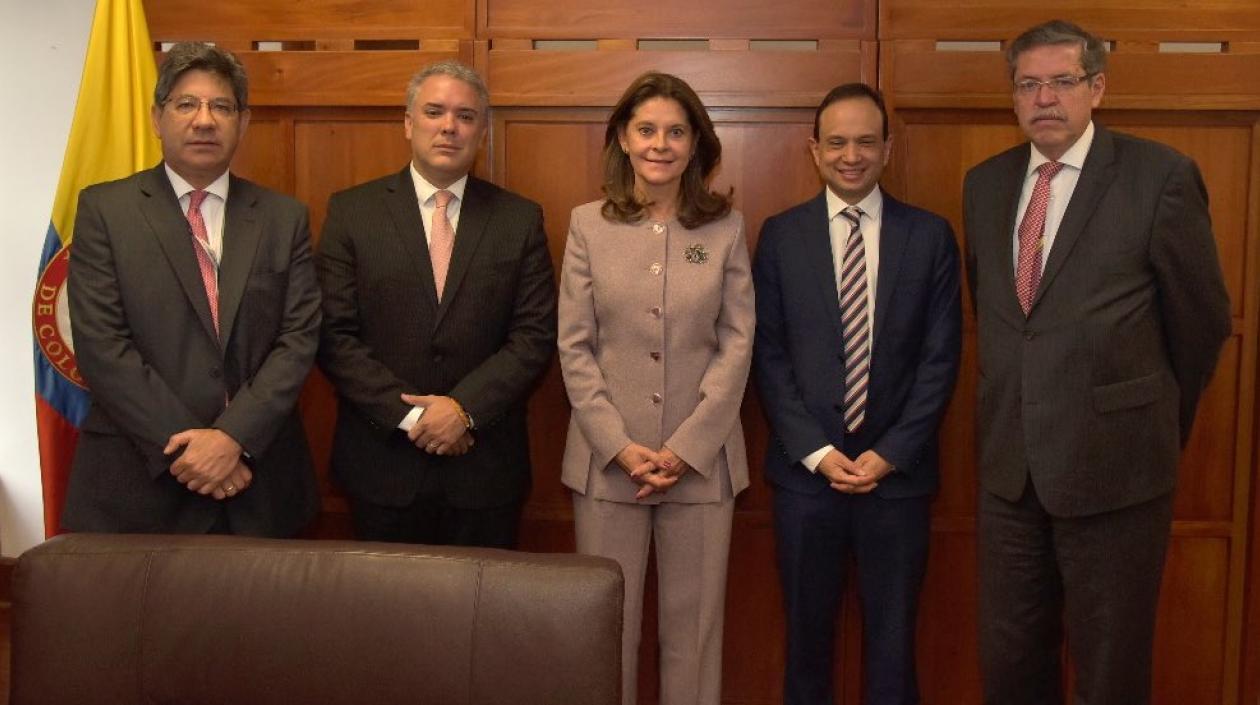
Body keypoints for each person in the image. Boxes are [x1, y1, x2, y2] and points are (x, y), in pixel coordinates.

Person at [963, 20, 1231, 705]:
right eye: (1028, 84)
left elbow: (1200, 324)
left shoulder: (1159, 176)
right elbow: (1000, 320)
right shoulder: (985, 185)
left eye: (1062, 81)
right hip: (1009, 472)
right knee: (1011, 660)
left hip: (1117, 471)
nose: (1044, 97)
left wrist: (1150, 420)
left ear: (1097, 88)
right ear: (1013, 96)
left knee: (1110, 669)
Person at [753, 83, 961, 705]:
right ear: (813, 150)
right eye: (837, 142)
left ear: (888, 149)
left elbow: (941, 357)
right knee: (805, 643)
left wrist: (891, 451)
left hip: (896, 482)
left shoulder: (929, 236)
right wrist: (815, 450)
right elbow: (767, 353)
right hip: (805, 480)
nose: (852, 155)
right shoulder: (780, 235)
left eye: (866, 141)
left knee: (894, 646)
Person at [63, 42, 321, 536]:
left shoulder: (282, 218)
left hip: (257, 483)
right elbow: (102, 345)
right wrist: (192, 450)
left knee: (257, 616)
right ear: (157, 118)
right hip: (139, 480)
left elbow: (298, 339)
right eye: (186, 104)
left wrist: (231, 438)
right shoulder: (106, 211)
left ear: (242, 123)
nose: (204, 120)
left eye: (221, 106)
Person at [558, 71, 754, 705]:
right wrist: (618, 444)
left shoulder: (725, 227)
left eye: (675, 131)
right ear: (622, 137)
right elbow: (575, 347)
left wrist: (685, 448)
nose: (660, 144)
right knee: (606, 634)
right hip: (606, 465)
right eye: (646, 130)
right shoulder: (587, 225)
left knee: (693, 638)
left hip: (702, 467)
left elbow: (736, 344)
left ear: (696, 143)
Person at [317, 60, 556, 548]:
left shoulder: (519, 219)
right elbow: (334, 335)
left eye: (466, 116)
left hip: (484, 469)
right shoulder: (352, 211)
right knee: (383, 620)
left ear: (482, 130)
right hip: (382, 466)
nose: (449, 126)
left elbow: (533, 337)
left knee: (481, 621)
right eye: (434, 111)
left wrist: (463, 410)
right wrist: (415, 418)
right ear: (408, 123)